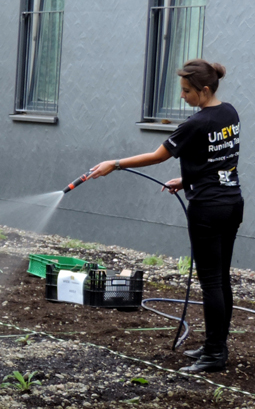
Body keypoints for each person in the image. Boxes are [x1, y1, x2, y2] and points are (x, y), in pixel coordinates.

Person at [84, 59, 242, 373]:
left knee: (211, 282)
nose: (182, 97)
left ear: (204, 90)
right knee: (221, 278)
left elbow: (158, 156)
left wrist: (114, 164)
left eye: (186, 91)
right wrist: (187, 179)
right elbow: (221, 157)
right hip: (232, 203)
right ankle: (215, 346)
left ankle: (214, 354)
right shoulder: (230, 113)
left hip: (208, 210)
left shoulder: (195, 124)